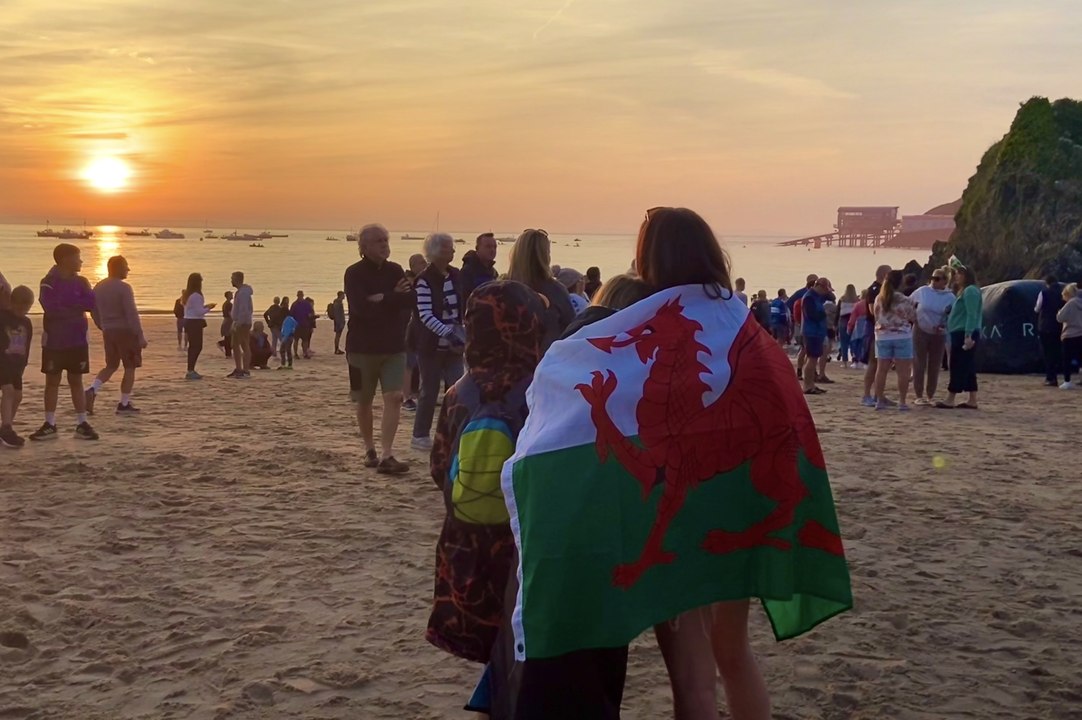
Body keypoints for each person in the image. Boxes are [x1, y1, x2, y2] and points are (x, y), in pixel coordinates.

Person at [497, 207, 851, 720]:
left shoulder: (655, 316)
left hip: (689, 515)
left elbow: (574, 380)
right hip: (740, 504)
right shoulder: (741, 323)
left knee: (692, 676)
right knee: (732, 652)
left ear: (651, 258)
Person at [425, 281, 547, 716]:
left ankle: (489, 698)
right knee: (520, 645)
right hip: (522, 549)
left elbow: (440, 468)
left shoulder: (458, 392)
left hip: (467, 546)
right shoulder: (543, 391)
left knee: (496, 642)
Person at [344, 224, 414, 474]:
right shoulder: (354, 273)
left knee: (394, 397)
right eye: (378, 241)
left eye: (386, 239)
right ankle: (369, 449)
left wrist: (383, 297)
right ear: (363, 247)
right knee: (363, 400)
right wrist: (391, 297)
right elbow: (361, 309)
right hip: (361, 347)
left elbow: (409, 300)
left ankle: (387, 454)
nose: (384, 244)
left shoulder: (395, 270)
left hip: (394, 345)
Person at [28, 244, 98, 441]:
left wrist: (71, 305)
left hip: (77, 339)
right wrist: (75, 306)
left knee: (76, 380)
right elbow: (50, 307)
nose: (81, 261)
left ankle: (82, 423)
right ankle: (50, 423)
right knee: (52, 382)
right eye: (77, 257)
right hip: (54, 341)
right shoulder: (48, 282)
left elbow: (91, 303)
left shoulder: (83, 281)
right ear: (65, 259)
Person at [411, 233, 466, 451]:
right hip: (431, 346)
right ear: (435, 252)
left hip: (454, 346)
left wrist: (461, 333)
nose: (452, 251)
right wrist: (446, 332)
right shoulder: (424, 280)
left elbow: (462, 307)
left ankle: (455, 433)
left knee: (457, 390)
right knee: (429, 391)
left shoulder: (456, 275)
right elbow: (424, 315)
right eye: (447, 248)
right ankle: (420, 435)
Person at [86, 256, 147, 415]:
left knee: (111, 365)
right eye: (126, 266)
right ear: (118, 268)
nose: (128, 270)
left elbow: (92, 309)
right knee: (130, 367)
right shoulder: (124, 288)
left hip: (108, 330)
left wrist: (101, 324)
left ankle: (93, 388)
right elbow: (131, 313)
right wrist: (139, 335)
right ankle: (124, 403)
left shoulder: (98, 287)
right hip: (125, 331)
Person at [506, 229, 575, 352]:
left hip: (509, 363)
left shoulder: (500, 288)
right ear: (544, 256)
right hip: (545, 363)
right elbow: (572, 330)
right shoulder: (555, 290)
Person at [872, 270, 917, 411]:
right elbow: (913, 317)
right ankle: (902, 402)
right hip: (902, 335)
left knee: (881, 370)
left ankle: (879, 400)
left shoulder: (879, 298)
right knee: (903, 372)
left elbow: (875, 315)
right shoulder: (904, 299)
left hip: (883, 336)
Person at [940, 264, 982, 409]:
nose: (956, 277)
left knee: (957, 364)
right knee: (968, 365)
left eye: (959, 274)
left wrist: (968, 334)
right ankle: (972, 399)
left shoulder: (970, 291)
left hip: (964, 331)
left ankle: (950, 398)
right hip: (961, 330)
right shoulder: (964, 291)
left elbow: (971, 313)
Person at [910, 270, 954, 406]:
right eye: (932, 278)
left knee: (935, 365)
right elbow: (909, 303)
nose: (934, 281)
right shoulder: (922, 291)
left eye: (937, 279)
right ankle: (918, 395)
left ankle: (930, 395)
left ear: (945, 281)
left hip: (939, 333)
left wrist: (945, 323)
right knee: (919, 362)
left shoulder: (950, 296)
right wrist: (913, 318)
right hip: (920, 330)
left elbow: (953, 313)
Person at [0, 285, 34, 448]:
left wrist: (24, 363)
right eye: (19, 306)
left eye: (26, 308)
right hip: (2, 362)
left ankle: (7, 426)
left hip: (17, 365)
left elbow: (27, 345)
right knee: (8, 391)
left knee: (18, 396)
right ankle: (6, 428)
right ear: (11, 302)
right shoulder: (3, 317)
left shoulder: (27, 322)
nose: (22, 311)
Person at [861, 264, 892, 407]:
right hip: (874, 329)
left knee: (883, 363)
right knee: (874, 363)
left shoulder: (885, 290)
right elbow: (873, 310)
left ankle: (879, 394)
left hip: (884, 329)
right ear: (884, 275)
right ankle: (867, 395)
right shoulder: (874, 289)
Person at [800, 276, 832, 395]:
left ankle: (811, 384)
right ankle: (807, 385)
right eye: (825, 289)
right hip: (811, 332)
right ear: (819, 286)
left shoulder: (816, 297)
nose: (826, 292)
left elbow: (830, 296)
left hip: (816, 332)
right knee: (811, 359)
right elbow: (811, 315)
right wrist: (824, 314)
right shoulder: (809, 298)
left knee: (813, 359)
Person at [182, 273, 216, 380]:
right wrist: (209, 308)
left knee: (193, 347)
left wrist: (204, 307)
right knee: (196, 346)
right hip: (195, 322)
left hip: (189, 321)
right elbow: (199, 312)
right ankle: (190, 370)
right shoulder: (196, 295)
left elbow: (193, 309)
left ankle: (190, 369)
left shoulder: (188, 295)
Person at [1035, 275, 1065, 387]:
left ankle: (1051, 377)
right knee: (1057, 351)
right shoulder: (1063, 293)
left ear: (1047, 283)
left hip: (1045, 326)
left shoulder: (1044, 293)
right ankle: (1058, 375)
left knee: (1047, 353)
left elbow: (1037, 308)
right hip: (1059, 326)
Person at [228, 271, 254, 379]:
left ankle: (242, 369)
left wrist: (238, 322)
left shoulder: (242, 293)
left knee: (239, 344)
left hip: (242, 322)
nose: (231, 280)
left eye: (232, 278)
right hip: (242, 321)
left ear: (238, 279)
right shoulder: (242, 292)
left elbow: (244, 310)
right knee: (241, 344)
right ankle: (242, 368)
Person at [1056, 283, 1082, 389]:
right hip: (1081, 333)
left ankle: (1067, 381)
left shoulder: (1070, 304)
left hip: (1069, 334)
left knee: (1067, 359)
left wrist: (1058, 312)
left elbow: (1060, 318)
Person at [460, 232, 499, 298]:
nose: (492, 250)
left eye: (495, 247)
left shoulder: (494, 273)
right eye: (488, 246)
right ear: (477, 248)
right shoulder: (467, 272)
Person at [836, 284, 858, 368]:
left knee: (843, 342)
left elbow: (838, 312)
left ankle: (844, 362)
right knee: (854, 341)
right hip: (853, 320)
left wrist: (835, 324)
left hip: (843, 320)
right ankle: (854, 360)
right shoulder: (857, 300)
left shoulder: (842, 299)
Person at [847, 289, 869, 370]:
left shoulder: (858, 305)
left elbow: (853, 318)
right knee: (866, 344)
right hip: (868, 325)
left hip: (859, 325)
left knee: (856, 344)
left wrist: (849, 328)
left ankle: (856, 361)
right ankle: (865, 361)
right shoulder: (870, 304)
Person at [218, 291, 234, 358]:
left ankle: (228, 353)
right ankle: (228, 353)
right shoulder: (228, 304)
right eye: (231, 294)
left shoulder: (226, 303)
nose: (232, 295)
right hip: (228, 321)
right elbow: (230, 313)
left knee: (229, 337)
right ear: (228, 296)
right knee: (229, 337)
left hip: (227, 320)